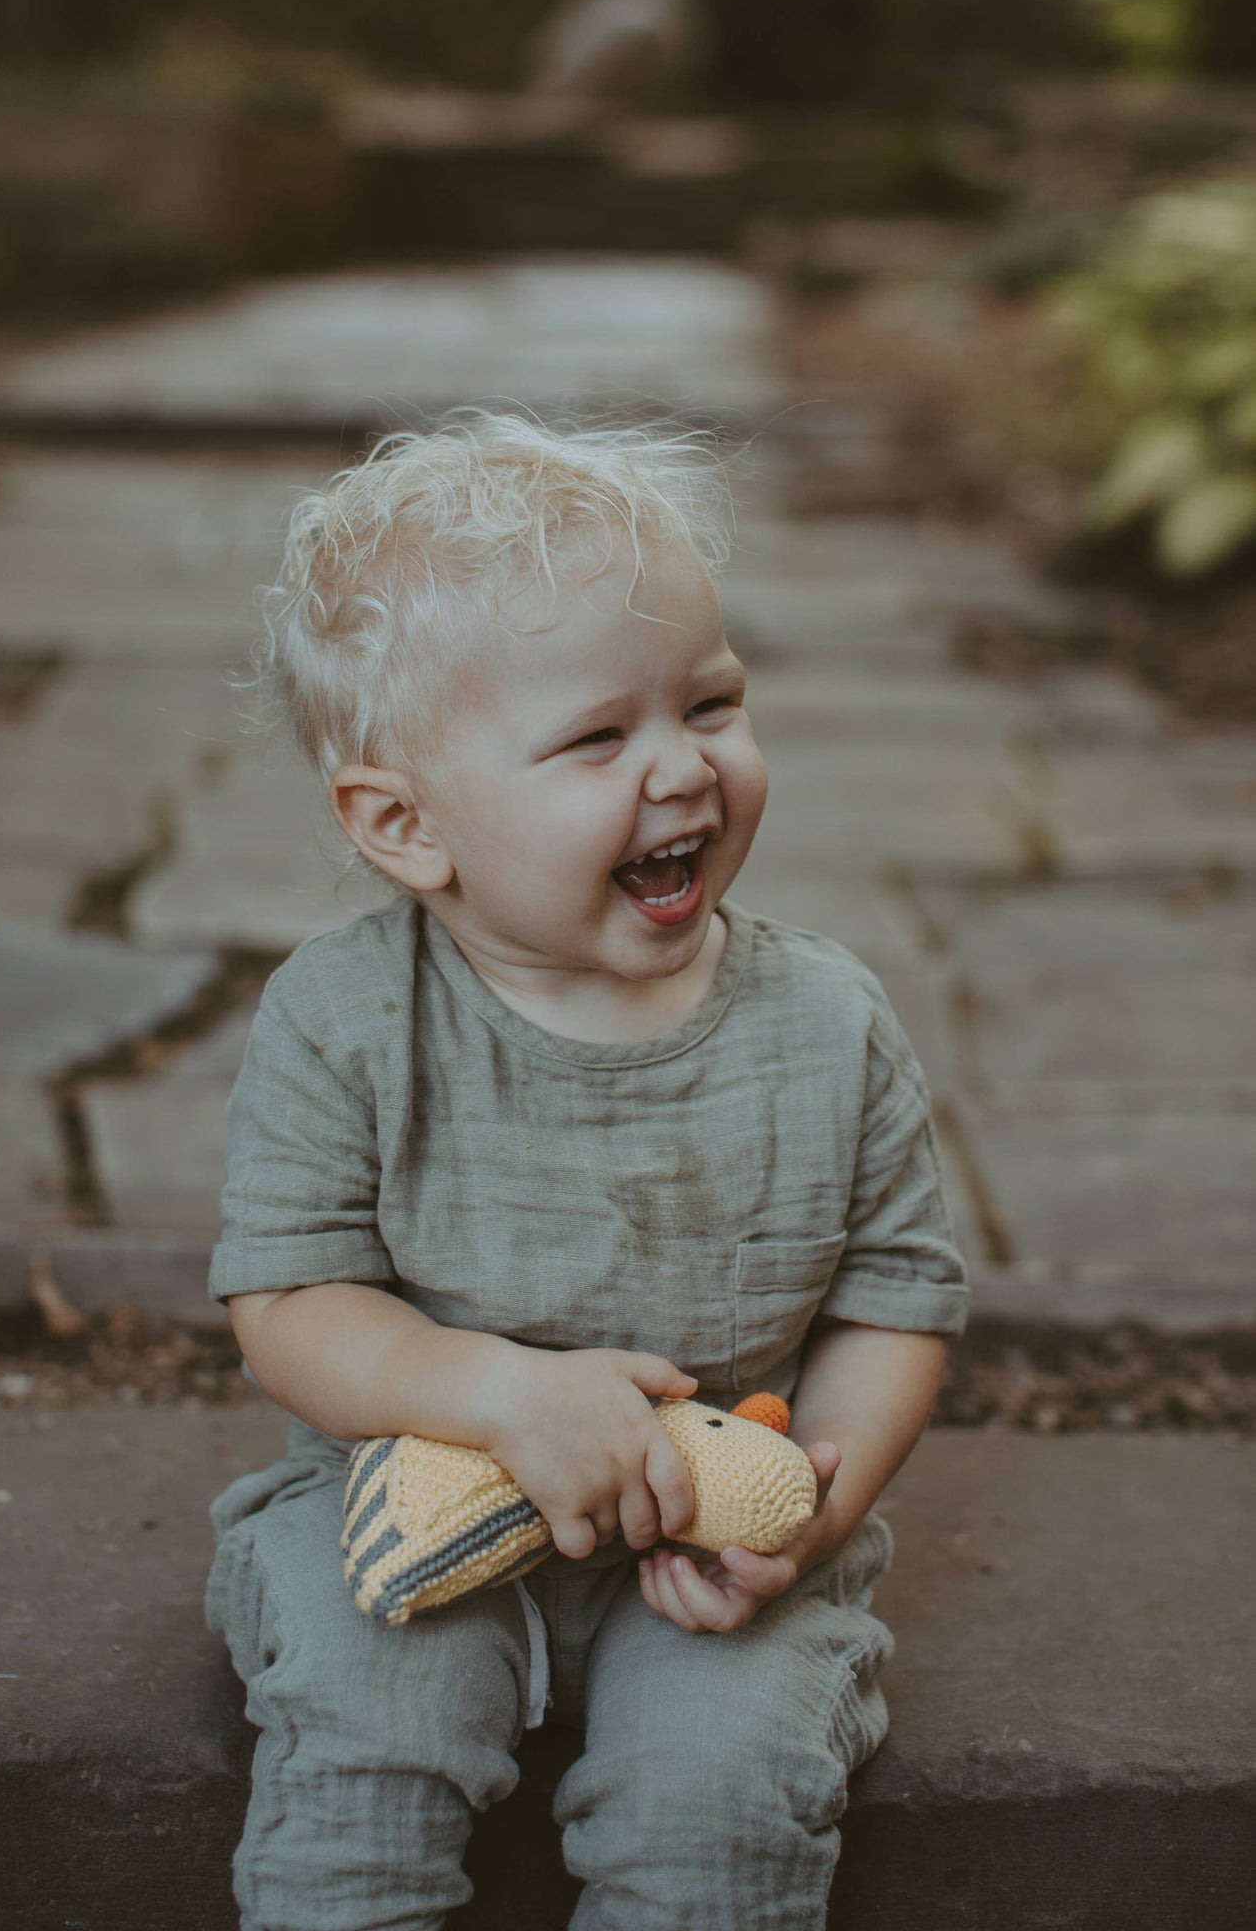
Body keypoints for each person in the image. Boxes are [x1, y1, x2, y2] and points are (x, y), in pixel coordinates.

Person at [205, 413, 969, 1931]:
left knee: (721, 1799)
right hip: (410, 1504)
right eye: (596, 738)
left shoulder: (825, 1020)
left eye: (710, 702)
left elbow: (896, 1299)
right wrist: (497, 1394)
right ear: (404, 825)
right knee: (367, 1748)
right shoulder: (345, 1019)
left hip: (704, 1539)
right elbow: (289, 1302)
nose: (683, 767)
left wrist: (811, 1512)